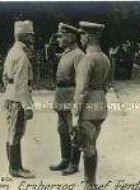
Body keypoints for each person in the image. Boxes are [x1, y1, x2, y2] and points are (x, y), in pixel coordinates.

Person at [72, 21, 111, 190]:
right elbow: (106, 85)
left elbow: (81, 89)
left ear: (88, 37)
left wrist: (75, 112)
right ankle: (91, 183)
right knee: (92, 143)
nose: (80, 37)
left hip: (87, 107)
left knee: (88, 145)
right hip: (100, 104)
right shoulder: (105, 58)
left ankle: (90, 185)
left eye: (82, 34)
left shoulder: (87, 59)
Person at [49, 23, 84, 175]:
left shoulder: (78, 55)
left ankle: (74, 164)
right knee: (62, 130)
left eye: (61, 36)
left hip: (71, 96)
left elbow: (82, 81)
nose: (59, 39)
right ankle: (65, 160)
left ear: (70, 37)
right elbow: (50, 59)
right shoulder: (65, 53)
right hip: (61, 95)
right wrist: (49, 46)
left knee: (73, 131)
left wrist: (78, 101)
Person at [2, 20, 35, 178]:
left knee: (11, 132)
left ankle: (15, 166)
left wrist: (8, 93)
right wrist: (27, 106)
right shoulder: (21, 55)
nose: (32, 38)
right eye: (30, 36)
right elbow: (22, 84)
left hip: (10, 97)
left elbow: (4, 77)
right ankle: (15, 169)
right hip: (18, 100)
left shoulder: (11, 52)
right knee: (16, 133)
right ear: (25, 37)